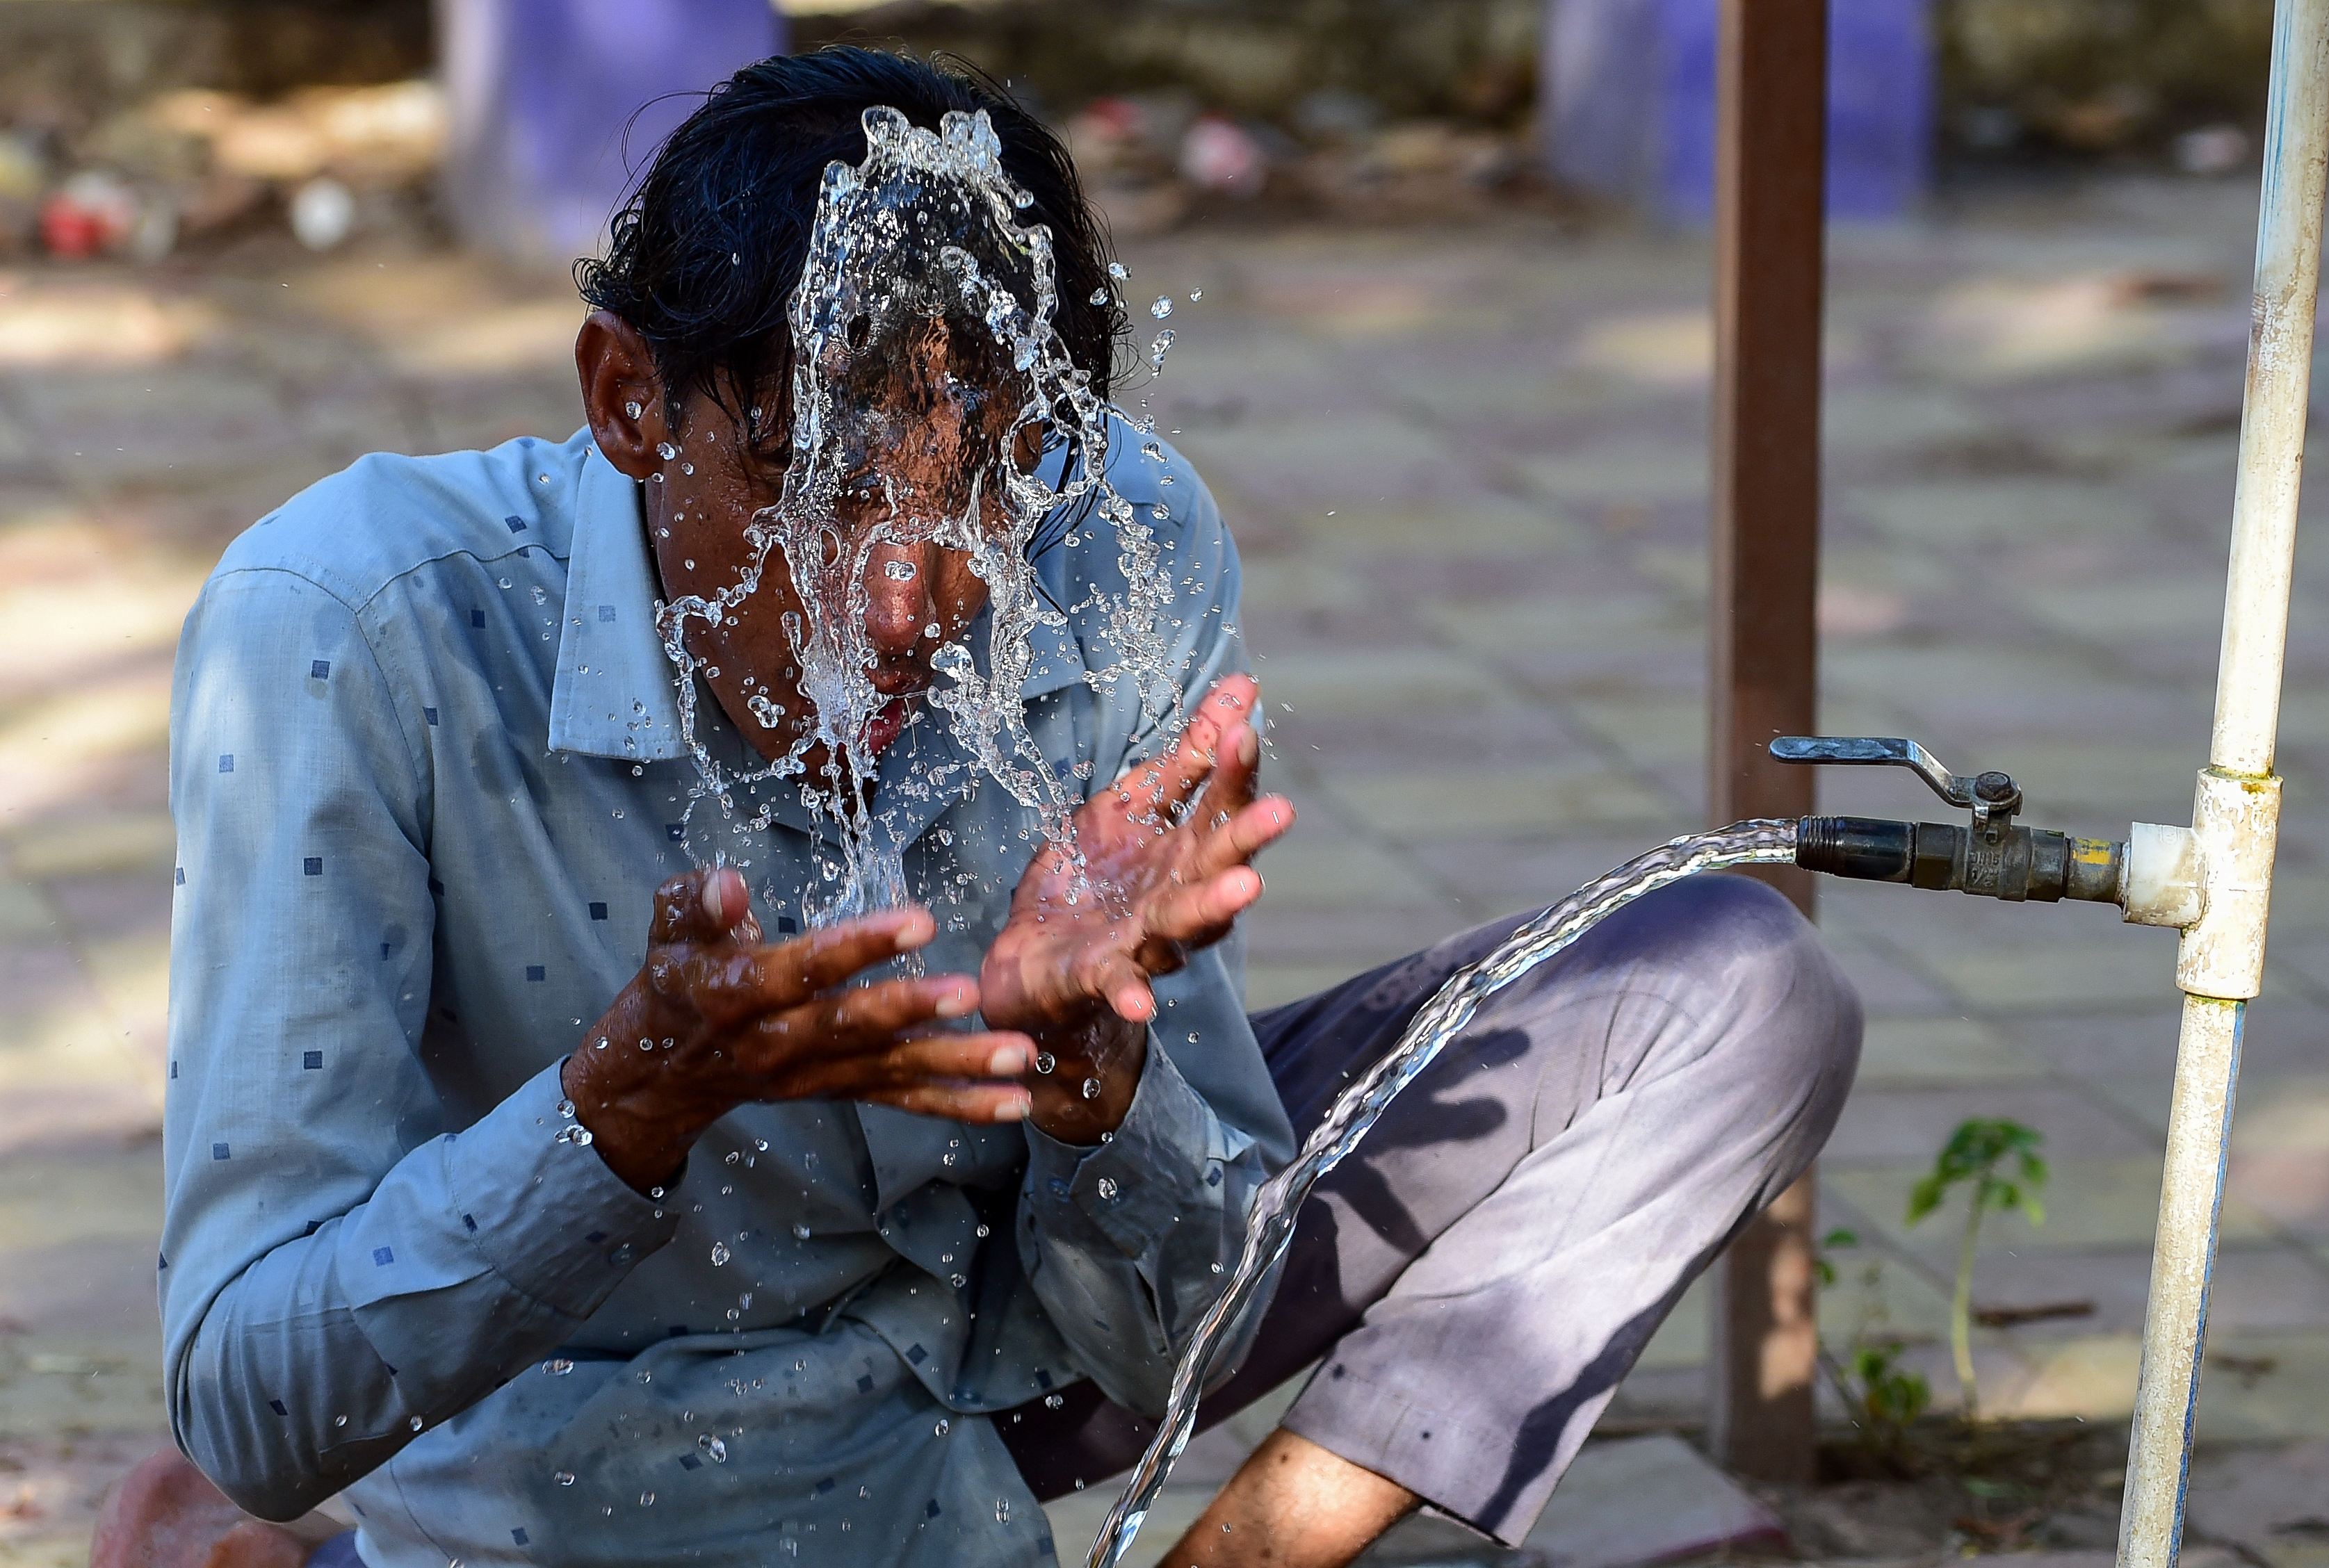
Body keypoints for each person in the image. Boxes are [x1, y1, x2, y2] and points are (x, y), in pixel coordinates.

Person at [127, 46, 1861, 1568]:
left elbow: (1173, 1329)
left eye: (990, 491)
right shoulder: (354, 630)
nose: (915, 600)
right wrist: (619, 1114)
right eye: (822, 490)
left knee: (1738, 983)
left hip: (993, 1354)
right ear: (628, 401)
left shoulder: (1116, 540)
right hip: (592, 1470)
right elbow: (252, 1408)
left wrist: (1093, 1085)